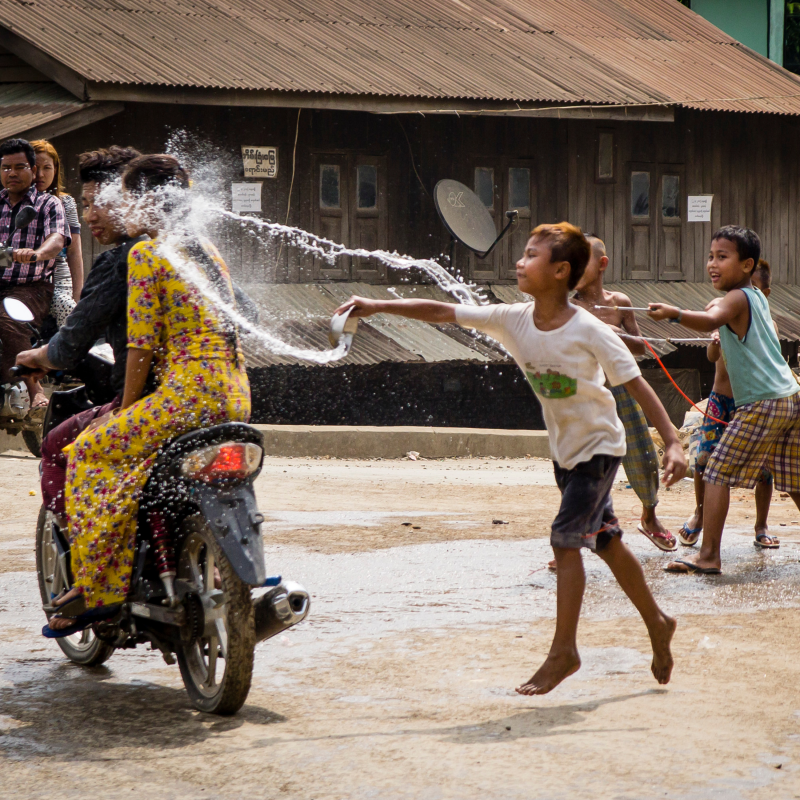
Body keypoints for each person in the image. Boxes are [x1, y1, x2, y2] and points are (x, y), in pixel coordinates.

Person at [335, 222, 685, 694]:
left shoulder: (591, 329)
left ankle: (564, 651)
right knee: (605, 541)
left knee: (565, 541)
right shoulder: (513, 318)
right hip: (565, 452)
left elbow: (636, 385)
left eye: (531, 255)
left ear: (561, 271)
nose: (519, 262)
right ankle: (658, 622)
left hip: (599, 450)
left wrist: (674, 440)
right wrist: (377, 304)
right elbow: (443, 310)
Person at [43, 154, 251, 635]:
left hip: (187, 394)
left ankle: (100, 588)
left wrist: (130, 406)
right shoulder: (203, 249)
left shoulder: (146, 253)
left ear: (142, 200)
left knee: (90, 452)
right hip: (234, 393)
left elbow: (140, 345)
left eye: (123, 197)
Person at [649, 227, 800, 575]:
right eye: (711, 256)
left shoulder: (737, 297)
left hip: (762, 402)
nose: (712, 264)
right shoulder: (757, 297)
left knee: (715, 471)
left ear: (747, 265)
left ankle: (709, 556)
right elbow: (718, 324)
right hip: (789, 398)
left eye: (722, 257)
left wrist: (674, 313)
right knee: (793, 476)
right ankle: (711, 552)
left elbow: (711, 320)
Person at [17, 145, 144, 522]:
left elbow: (82, 343)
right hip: (230, 396)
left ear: (127, 199)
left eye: (95, 204)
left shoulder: (128, 261)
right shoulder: (195, 251)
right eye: (84, 205)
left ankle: (92, 573)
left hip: (156, 400)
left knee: (60, 449)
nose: (88, 216)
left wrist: (36, 358)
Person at [571, 234, 676, 551]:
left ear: (602, 264)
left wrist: (612, 332)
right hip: (585, 392)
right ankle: (574, 535)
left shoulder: (619, 302)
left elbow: (640, 347)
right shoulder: (568, 305)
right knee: (582, 463)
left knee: (642, 452)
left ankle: (649, 516)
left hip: (622, 386)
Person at [681, 259, 778, 549]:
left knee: (764, 468)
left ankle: (761, 525)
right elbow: (712, 357)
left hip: (752, 402)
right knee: (703, 460)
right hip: (720, 400)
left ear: (765, 294)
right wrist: (715, 341)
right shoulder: (720, 309)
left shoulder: (767, 324)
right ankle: (699, 515)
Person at [0, 137, 68, 417]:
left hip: (32, 287)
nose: (12, 173)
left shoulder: (48, 203)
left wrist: (37, 254)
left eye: (19, 167)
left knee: (7, 320)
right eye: (5, 168)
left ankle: (33, 389)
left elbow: (56, 238)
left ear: (32, 169)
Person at [30, 140, 83, 325]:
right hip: (23, 279)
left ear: (56, 170)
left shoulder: (64, 202)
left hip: (58, 278)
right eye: (35, 168)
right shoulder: (11, 202)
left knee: (69, 313)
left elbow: (74, 252)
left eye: (47, 168)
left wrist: (77, 296)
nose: (41, 175)